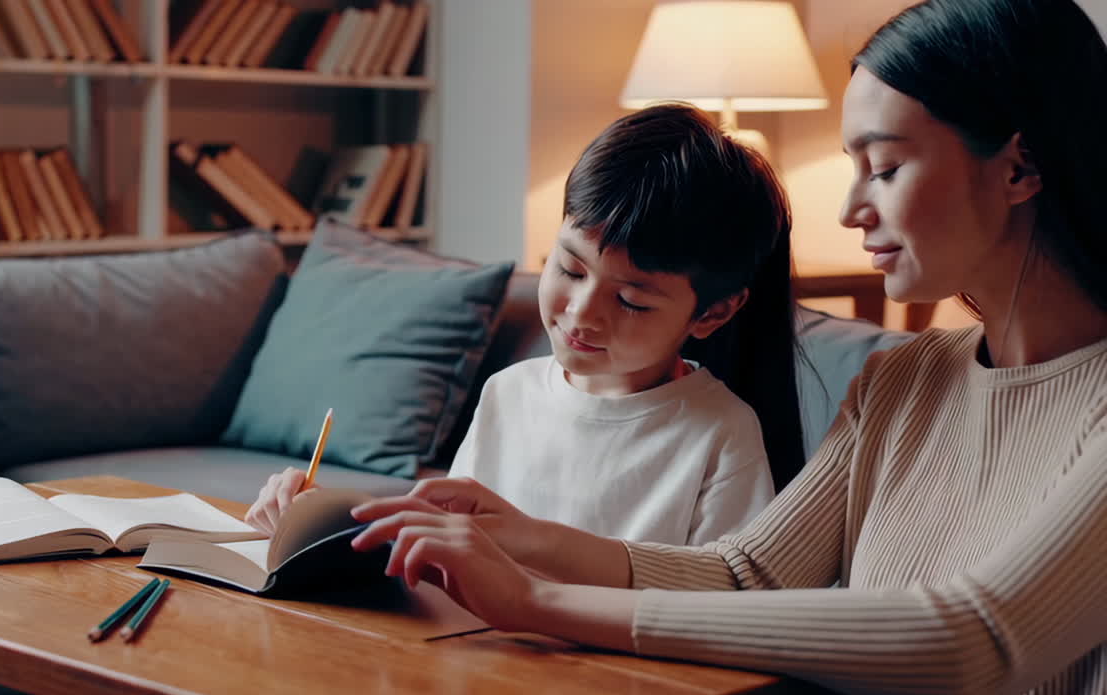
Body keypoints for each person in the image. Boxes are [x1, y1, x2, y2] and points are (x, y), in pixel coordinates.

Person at [347, 0, 1107, 695]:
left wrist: (537, 601)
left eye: (885, 167)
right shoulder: (904, 379)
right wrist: (515, 537)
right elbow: (748, 576)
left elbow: (979, 644)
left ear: (1020, 169)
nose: (849, 210)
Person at [246, 103, 806, 547]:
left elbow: (715, 610)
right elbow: (443, 546)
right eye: (568, 268)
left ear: (712, 312)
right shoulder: (507, 394)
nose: (583, 312)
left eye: (632, 300)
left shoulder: (720, 434)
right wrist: (318, 523)